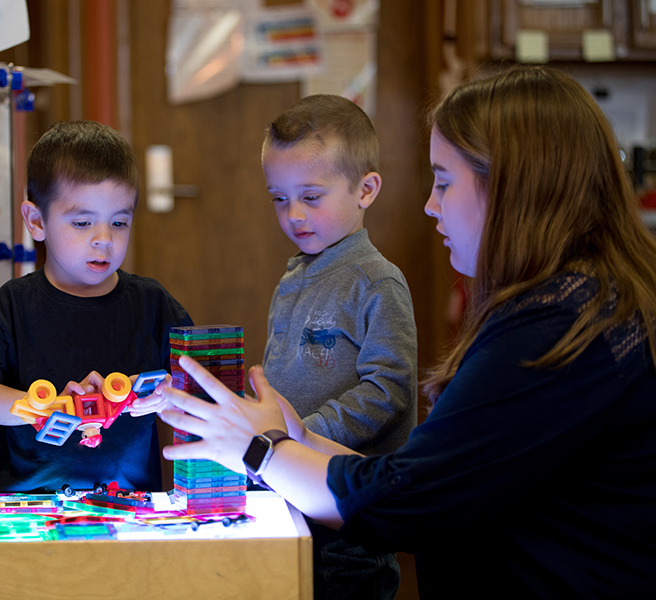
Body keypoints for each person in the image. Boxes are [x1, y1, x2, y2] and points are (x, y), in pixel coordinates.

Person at [155, 67, 656, 598]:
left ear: (513, 186)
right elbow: (430, 470)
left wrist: (261, 450)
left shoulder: (557, 326)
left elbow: (408, 498)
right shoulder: (586, 299)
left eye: (443, 182)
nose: (429, 205)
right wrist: (294, 438)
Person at [0, 120, 193, 493]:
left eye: (119, 221)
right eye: (82, 222)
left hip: (130, 505)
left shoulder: (153, 304)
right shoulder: (11, 305)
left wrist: (169, 394)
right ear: (37, 221)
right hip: (28, 505)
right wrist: (43, 405)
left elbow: (199, 388)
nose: (104, 239)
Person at [260, 94, 417, 599]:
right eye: (279, 198)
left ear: (366, 189)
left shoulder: (376, 282)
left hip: (348, 509)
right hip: (292, 489)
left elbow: (388, 388)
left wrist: (303, 433)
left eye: (311, 196)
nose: (293, 215)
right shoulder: (294, 276)